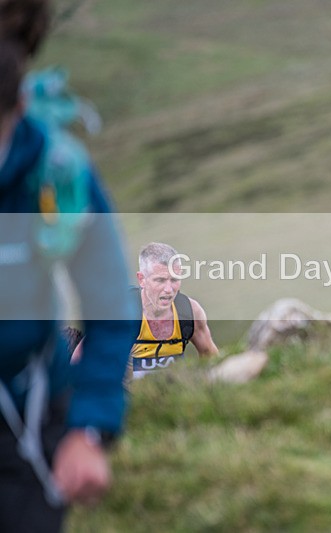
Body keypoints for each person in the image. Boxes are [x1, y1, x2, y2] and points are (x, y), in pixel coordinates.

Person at [0, 1, 138, 530]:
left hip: (26, 422)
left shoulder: (58, 171)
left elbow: (109, 304)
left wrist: (88, 430)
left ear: (17, 104)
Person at [129, 242, 219, 378]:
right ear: (142, 279)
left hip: (174, 395)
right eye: (160, 280)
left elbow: (211, 358)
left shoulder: (190, 312)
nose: (169, 289)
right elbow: (86, 359)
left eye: (174, 279)